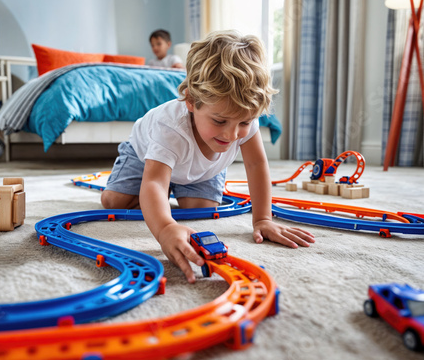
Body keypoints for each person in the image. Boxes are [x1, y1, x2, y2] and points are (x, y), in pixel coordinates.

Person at [101, 30, 315, 283]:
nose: (232, 134)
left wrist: (263, 219)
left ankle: (174, 187)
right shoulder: (169, 127)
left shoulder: (244, 122)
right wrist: (166, 228)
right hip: (144, 154)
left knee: (201, 212)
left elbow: (256, 164)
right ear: (191, 101)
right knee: (115, 202)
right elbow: (154, 182)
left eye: (244, 122)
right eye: (220, 120)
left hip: (198, 169)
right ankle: (159, 189)